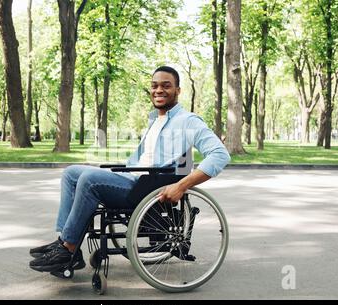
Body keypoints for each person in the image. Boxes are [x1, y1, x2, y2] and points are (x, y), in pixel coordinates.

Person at [29, 66, 231, 272]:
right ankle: (63, 240)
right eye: (154, 86)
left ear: (178, 90)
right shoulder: (156, 119)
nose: (159, 90)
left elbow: (220, 155)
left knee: (89, 179)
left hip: (147, 188)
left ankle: (68, 248)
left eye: (166, 86)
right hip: (134, 177)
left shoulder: (188, 121)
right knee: (71, 173)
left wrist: (181, 185)